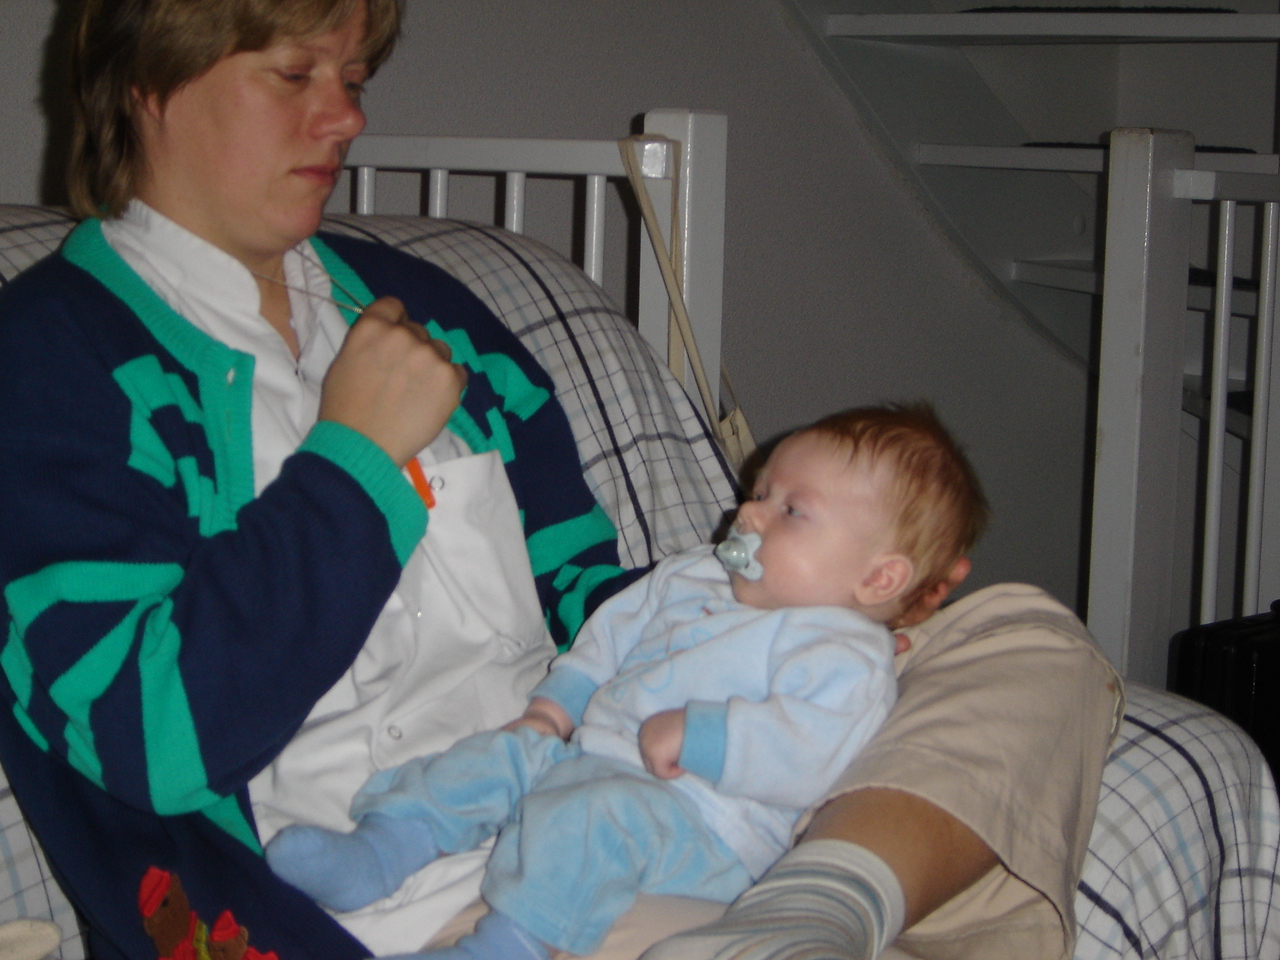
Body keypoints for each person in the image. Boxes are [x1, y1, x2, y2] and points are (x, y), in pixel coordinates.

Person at [0, 2, 645, 958]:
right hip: (357, 912)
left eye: (352, 80)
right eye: (295, 74)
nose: (347, 118)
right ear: (148, 86)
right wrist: (356, 459)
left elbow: (587, 590)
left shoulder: (433, 312)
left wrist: (748, 617)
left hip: (587, 827)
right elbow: (150, 733)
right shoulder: (48, 361)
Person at [263, 405, 989, 960]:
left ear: (878, 579)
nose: (749, 512)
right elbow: (606, 642)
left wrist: (705, 736)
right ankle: (382, 850)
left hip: (705, 826)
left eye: (791, 510)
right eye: (761, 491)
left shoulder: (844, 652)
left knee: (591, 821)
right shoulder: (693, 574)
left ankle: (510, 944)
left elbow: (811, 749)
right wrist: (552, 711)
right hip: (590, 758)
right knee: (494, 758)